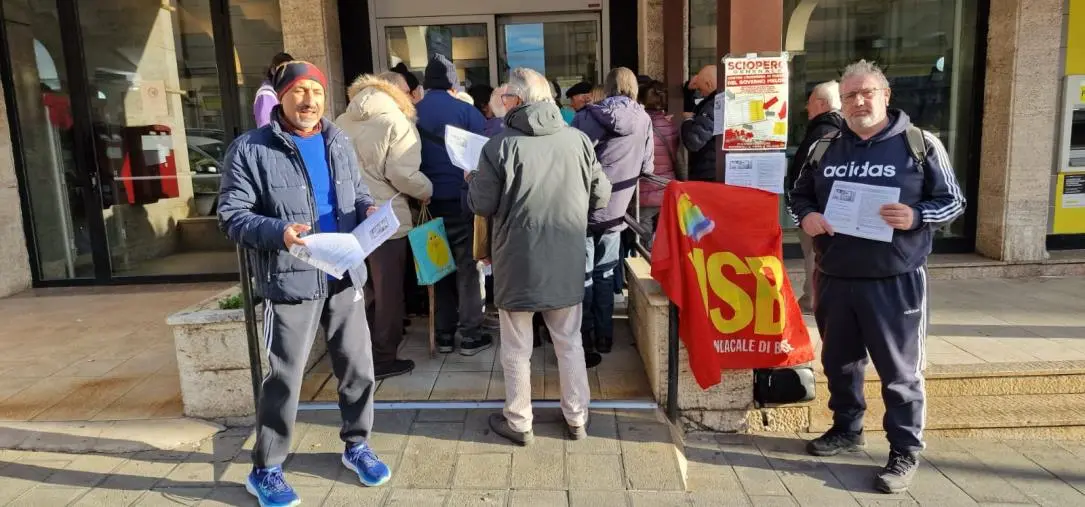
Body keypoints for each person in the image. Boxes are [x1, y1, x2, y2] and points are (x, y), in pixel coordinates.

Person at [217, 61, 391, 507]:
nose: (309, 100)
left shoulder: (339, 141)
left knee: (357, 367)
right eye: (298, 91)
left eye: (316, 90)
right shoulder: (250, 149)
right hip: (290, 279)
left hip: (344, 273)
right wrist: (279, 233)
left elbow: (358, 194)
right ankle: (267, 469)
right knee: (285, 379)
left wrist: (369, 212)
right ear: (280, 96)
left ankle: (357, 445)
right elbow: (232, 216)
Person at [787, 59, 965, 495]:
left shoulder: (919, 144)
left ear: (886, 96)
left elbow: (953, 201)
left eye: (867, 92)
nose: (859, 101)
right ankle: (847, 429)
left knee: (900, 373)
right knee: (839, 362)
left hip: (895, 280)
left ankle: (904, 451)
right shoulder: (825, 146)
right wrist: (807, 217)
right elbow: (797, 195)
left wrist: (916, 215)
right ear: (841, 103)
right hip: (835, 276)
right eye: (850, 95)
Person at [467, 67, 611, 445]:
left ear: (516, 101)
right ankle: (577, 418)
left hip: (516, 260)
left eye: (506, 97)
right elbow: (601, 196)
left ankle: (519, 421)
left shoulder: (498, 146)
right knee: (569, 340)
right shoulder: (578, 140)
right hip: (566, 256)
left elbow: (481, 203)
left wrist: (472, 181)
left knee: (517, 346)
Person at [334, 73, 431, 381]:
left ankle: (353, 353)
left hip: (349, 217)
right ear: (398, 92)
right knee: (388, 292)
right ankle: (382, 359)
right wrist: (427, 190)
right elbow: (402, 173)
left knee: (360, 289)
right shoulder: (396, 121)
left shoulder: (341, 119)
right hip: (384, 218)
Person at [572, 67, 653, 356]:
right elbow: (647, 168)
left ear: (605, 88)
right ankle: (605, 337)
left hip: (582, 207)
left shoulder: (586, 116)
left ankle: (586, 337)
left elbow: (573, 160)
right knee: (606, 273)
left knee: (582, 275)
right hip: (617, 210)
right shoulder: (644, 120)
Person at [415, 54, 492, 356]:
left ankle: (444, 336)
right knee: (468, 268)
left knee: (438, 268)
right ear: (453, 84)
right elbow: (482, 159)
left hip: (427, 204)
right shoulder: (468, 112)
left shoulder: (411, 113)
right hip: (463, 202)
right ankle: (471, 335)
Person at [785, 80, 845, 314]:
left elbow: (805, 172)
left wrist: (800, 205)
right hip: (827, 206)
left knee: (813, 253)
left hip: (817, 208)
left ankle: (812, 299)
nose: (807, 109)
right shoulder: (840, 129)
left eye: (810, 103)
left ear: (821, 104)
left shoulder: (823, 133)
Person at [636, 79, 679, 249]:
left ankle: (645, 270)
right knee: (665, 240)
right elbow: (678, 159)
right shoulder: (672, 126)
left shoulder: (638, 127)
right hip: (666, 189)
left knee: (643, 241)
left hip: (644, 192)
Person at [680, 65, 720, 182]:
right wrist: (689, 91)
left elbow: (694, 141)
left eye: (701, 89)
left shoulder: (714, 105)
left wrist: (688, 121)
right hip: (713, 167)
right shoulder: (718, 100)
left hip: (709, 171)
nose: (701, 94)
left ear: (709, 84)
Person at [252, 52, 294, 128]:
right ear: (273, 71)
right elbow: (266, 127)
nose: (286, 74)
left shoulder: (283, 89)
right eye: (282, 69)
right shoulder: (266, 94)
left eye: (289, 69)